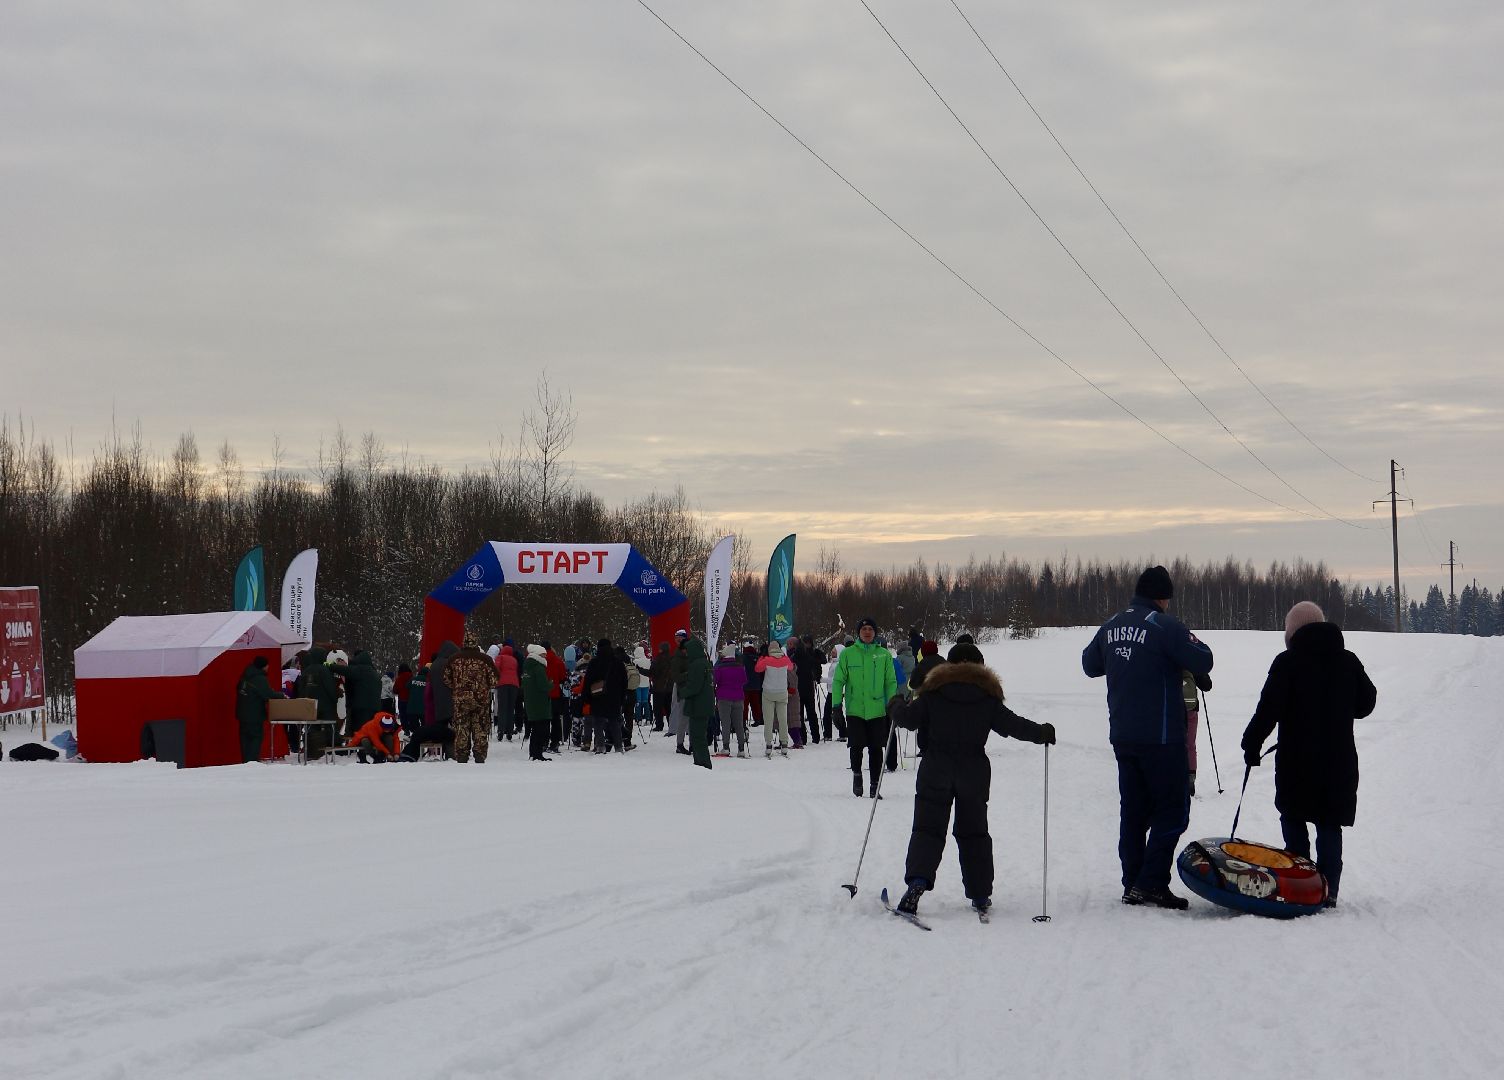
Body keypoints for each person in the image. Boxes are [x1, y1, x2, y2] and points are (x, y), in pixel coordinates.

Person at [888, 643, 1055, 917]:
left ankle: (918, 880)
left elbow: (907, 719)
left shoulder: (933, 693)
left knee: (928, 829)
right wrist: (1043, 733)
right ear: (980, 665)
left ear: (949, 665)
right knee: (974, 833)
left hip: (935, 769)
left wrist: (895, 704)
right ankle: (980, 893)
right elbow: (1015, 726)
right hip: (973, 773)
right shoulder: (987, 699)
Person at [1082, 565, 1213, 910]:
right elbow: (1204, 657)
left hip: (1123, 735)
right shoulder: (1164, 625)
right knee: (1173, 811)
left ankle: (1132, 882)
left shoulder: (1111, 625)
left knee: (1134, 811)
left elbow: (1089, 664)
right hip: (1163, 736)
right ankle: (1151, 882)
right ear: (1163, 597)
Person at [1241, 601, 1376, 908]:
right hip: (1338, 761)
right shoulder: (1348, 661)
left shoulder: (1287, 662)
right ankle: (1328, 893)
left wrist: (1251, 744)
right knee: (1330, 822)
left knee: (1294, 816)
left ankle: (1301, 886)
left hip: (1295, 761)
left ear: (1292, 632)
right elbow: (1367, 703)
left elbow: (1267, 710)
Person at [831, 618, 898, 798]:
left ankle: (875, 785)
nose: (867, 632)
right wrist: (836, 706)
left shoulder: (884, 655)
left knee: (876, 748)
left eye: (870, 629)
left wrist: (892, 705)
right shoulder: (848, 654)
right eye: (864, 629)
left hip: (877, 710)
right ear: (859, 632)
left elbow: (890, 682)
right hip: (855, 709)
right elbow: (838, 681)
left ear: (875, 633)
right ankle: (857, 775)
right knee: (856, 746)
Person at [444, 638, 497, 764]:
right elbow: (494, 680)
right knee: (480, 727)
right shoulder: (486, 659)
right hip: (481, 700)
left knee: (462, 726)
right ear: (476, 643)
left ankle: (462, 755)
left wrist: (457, 688)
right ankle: (479, 753)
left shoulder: (453, 659)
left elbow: (446, 678)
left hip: (460, 700)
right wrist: (483, 688)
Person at [235, 656, 285, 763]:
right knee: (255, 739)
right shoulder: (259, 678)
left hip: (242, 714)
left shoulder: (245, 676)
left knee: (245, 740)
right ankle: (251, 762)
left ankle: (245, 762)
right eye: (267, 665)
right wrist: (282, 695)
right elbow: (268, 694)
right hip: (254, 715)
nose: (268, 667)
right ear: (263, 666)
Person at [583, 638, 628, 754]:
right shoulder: (618, 663)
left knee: (598, 722)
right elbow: (624, 682)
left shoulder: (594, 662)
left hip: (598, 696)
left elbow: (587, 681)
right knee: (614, 722)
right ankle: (618, 747)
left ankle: (600, 746)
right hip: (614, 697)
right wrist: (622, 697)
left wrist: (586, 697)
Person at [296, 645, 341, 759]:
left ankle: (311, 749)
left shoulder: (306, 671)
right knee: (330, 726)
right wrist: (334, 698)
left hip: (309, 705)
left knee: (311, 727)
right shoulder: (324, 670)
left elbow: (301, 688)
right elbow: (329, 687)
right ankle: (332, 748)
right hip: (325, 705)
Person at [677, 636, 714, 769]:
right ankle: (700, 763)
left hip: (698, 705)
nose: (686, 653)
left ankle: (703, 763)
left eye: (687, 650)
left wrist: (682, 692)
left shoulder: (697, 665)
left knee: (697, 737)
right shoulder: (705, 662)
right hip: (703, 704)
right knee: (698, 736)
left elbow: (694, 686)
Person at [330, 649, 382, 740]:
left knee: (356, 729)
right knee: (368, 729)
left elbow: (343, 670)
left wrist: (330, 666)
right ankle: (364, 749)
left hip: (360, 706)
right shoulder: (375, 673)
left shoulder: (360, 670)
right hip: (375, 707)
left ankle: (351, 749)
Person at [755, 640, 794, 758]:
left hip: (768, 692)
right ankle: (784, 744)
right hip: (782, 692)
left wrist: (762, 657)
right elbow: (791, 667)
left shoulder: (766, 660)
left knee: (768, 720)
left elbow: (757, 669)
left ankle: (768, 744)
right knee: (783, 719)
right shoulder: (786, 660)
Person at [713, 644, 749, 756]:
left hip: (723, 697)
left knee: (726, 722)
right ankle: (741, 749)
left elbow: (714, 681)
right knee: (739, 723)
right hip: (738, 697)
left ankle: (726, 747)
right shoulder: (740, 667)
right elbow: (744, 680)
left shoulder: (719, 667)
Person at [1181, 668, 1212, 795]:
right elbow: (1206, 685)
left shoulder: (1164, 652)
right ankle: (1190, 781)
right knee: (1189, 745)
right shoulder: (1190, 656)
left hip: (1168, 708)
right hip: (1190, 708)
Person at [522, 643, 554, 761]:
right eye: (543, 655)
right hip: (540, 703)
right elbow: (543, 685)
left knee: (535, 729)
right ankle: (538, 754)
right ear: (538, 655)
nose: (545, 657)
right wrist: (551, 683)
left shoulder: (527, 667)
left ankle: (533, 753)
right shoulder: (538, 668)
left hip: (530, 702)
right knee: (542, 730)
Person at [495, 644, 520, 740]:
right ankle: (509, 731)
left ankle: (501, 730)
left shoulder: (500, 657)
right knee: (510, 708)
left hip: (503, 684)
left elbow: (496, 668)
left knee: (502, 708)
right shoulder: (514, 660)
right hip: (514, 684)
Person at [649, 642, 674, 732]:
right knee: (669, 708)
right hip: (670, 687)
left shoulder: (658, 659)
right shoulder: (672, 659)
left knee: (657, 708)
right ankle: (671, 725)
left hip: (658, 688)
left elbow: (651, 672)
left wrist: (640, 670)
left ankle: (659, 725)